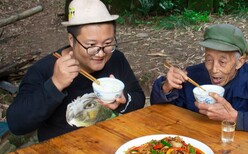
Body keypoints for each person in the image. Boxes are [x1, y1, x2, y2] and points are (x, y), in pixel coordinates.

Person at [7, 0, 145, 142]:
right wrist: (55, 84)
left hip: (109, 143)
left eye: (108, 43)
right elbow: (16, 125)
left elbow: (138, 99)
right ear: (71, 40)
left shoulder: (116, 59)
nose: (101, 53)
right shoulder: (44, 69)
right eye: (91, 45)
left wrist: (123, 101)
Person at [151, 24, 248, 144]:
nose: (214, 69)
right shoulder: (193, 76)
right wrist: (166, 88)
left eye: (222, 61)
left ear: (239, 62)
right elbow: (161, 113)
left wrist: (237, 118)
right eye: (209, 59)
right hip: (197, 148)